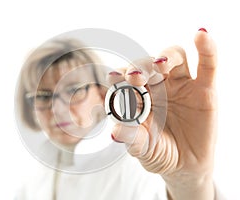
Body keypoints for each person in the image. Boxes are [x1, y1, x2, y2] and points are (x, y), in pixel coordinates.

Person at [15, 29, 224, 200]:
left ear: (103, 93)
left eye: (73, 90)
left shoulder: (135, 161)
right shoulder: (34, 179)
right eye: (42, 96)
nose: (57, 109)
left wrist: (190, 181)